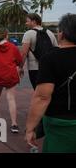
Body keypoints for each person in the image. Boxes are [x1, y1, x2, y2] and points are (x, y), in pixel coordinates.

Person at [25, 14, 76, 153]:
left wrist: (30, 128)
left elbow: (42, 97)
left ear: (62, 34)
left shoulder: (51, 59)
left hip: (61, 122)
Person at [21, 13, 58, 89]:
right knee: (49, 91)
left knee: (38, 91)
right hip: (49, 68)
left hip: (34, 68)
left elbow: (24, 53)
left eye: (27, 21)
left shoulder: (28, 34)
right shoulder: (50, 33)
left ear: (33, 21)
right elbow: (56, 51)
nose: (26, 23)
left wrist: (20, 67)